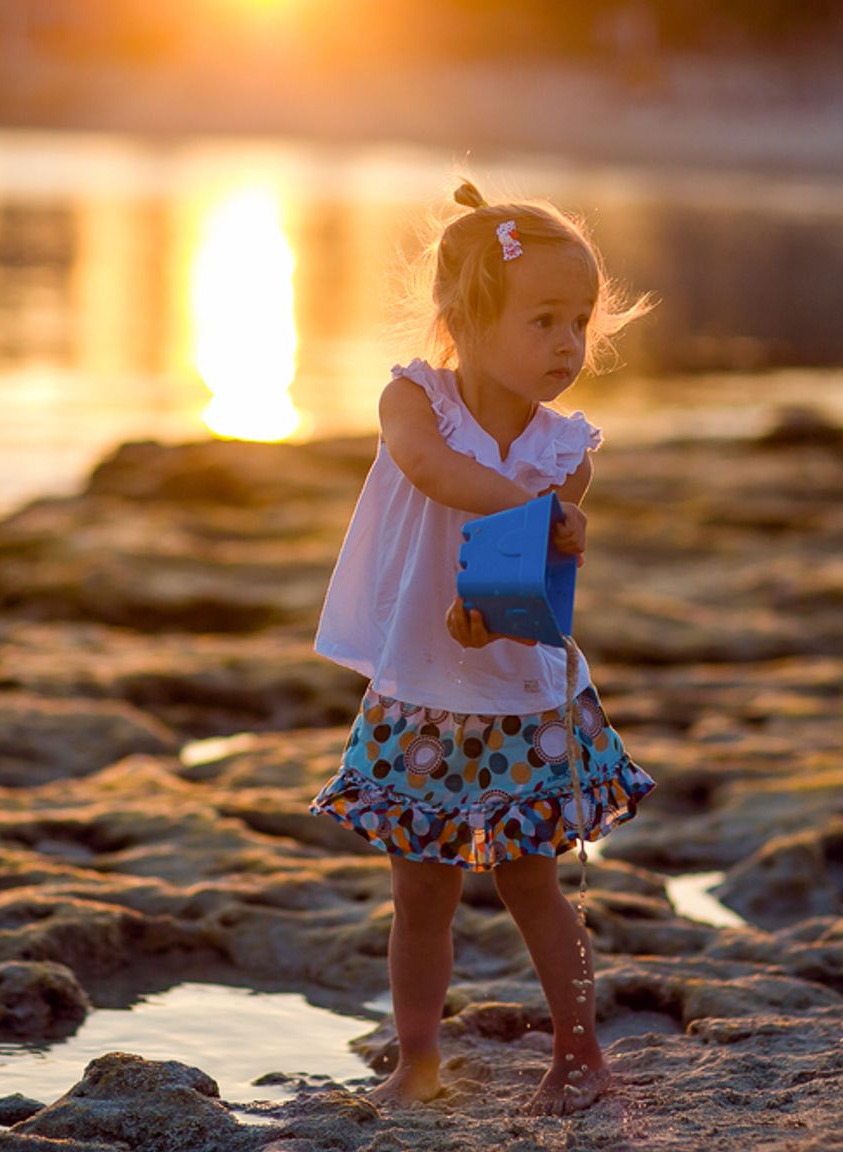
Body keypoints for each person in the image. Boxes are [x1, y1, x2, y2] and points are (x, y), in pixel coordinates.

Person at [309, 180, 657, 1116]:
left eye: (579, 322)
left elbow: (530, 588)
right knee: (421, 893)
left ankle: (580, 1054)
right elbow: (432, 471)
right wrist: (532, 511)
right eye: (543, 321)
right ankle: (417, 1059)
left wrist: (554, 539)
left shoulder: (565, 450)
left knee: (535, 883)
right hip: (422, 689)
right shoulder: (414, 400)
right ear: (463, 320)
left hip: (522, 695)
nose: (568, 344)